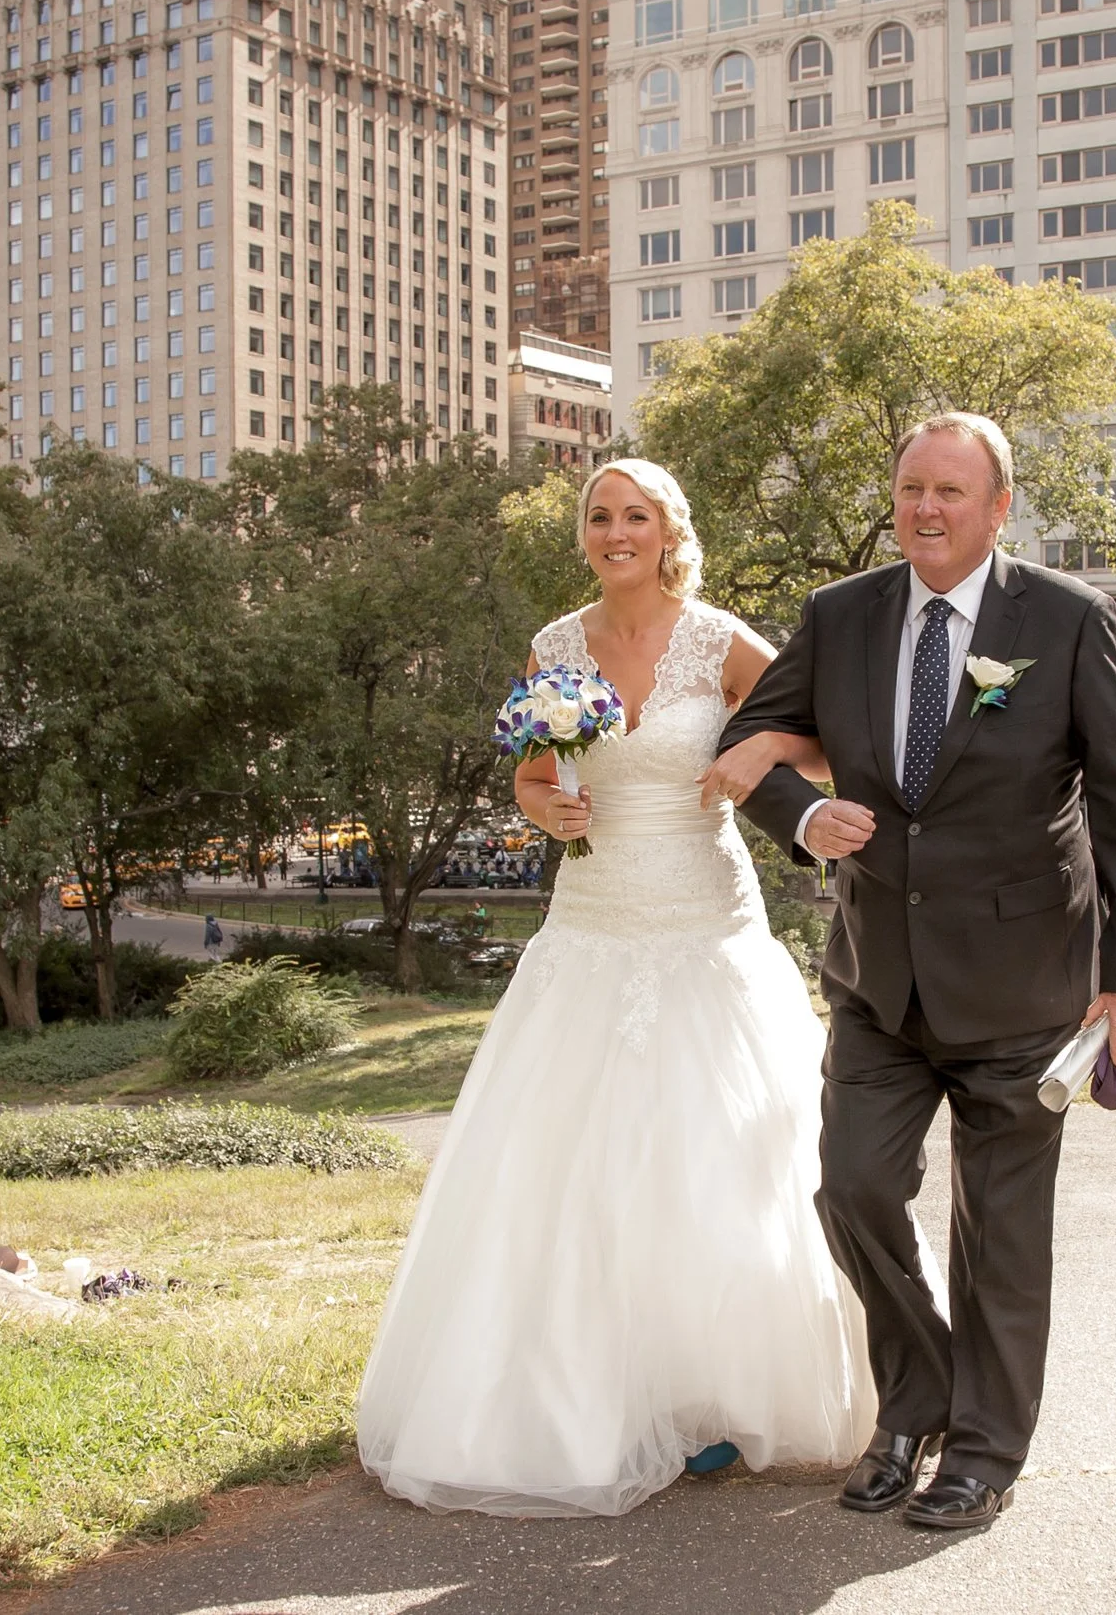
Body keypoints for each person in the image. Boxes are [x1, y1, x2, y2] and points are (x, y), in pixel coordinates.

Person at [359, 458, 874, 1519]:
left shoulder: (718, 637)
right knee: (573, 1160)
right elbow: (530, 764)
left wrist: (751, 752)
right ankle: (584, 1391)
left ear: (670, 530)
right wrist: (538, 802)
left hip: (702, 921)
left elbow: (821, 738)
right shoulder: (555, 645)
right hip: (588, 925)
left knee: (716, 1152)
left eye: (634, 514)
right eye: (598, 516)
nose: (614, 530)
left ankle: (722, 1391)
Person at [715, 411, 1116, 1531]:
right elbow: (746, 739)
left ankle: (983, 1448)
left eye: (950, 492)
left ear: (998, 506)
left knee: (1001, 1232)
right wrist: (804, 810)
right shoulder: (841, 614)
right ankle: (916, 1400)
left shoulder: (1066, 621)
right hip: (878, 976)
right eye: (911, 487)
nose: (925, 508)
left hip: (1026, 984)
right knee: (855, 1187)